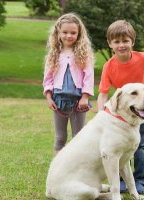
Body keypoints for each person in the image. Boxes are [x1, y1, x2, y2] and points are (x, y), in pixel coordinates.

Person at [97, 20, 144, 194]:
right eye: (116, 42)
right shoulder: (108, 66)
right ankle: (122, 182)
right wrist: (102, 113)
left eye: (125, 41)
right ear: (110, 44)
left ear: (132, 41)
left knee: (142, 145)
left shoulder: (142, 58)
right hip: (121, 112)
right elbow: (103, 93)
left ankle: (140, 181)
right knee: (119, 146)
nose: (121, 45)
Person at [43, 13, 94, 155]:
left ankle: (77, 170)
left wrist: (85, 97)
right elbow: (48, 78)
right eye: (65, 32)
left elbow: (89, 76)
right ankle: (57, 171)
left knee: (78, 137)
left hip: (78, 101)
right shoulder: (54, 54)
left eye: (73, 33)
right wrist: (48, 97)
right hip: (58, 100)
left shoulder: (84, 53)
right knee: (60, 138)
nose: (69, 36)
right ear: (58, 33)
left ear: (79, 33)